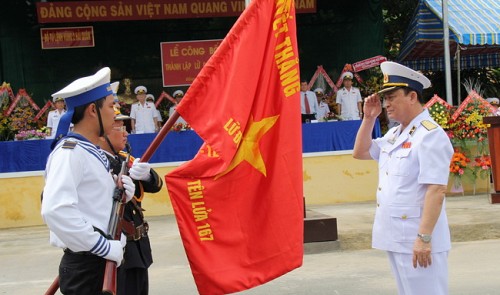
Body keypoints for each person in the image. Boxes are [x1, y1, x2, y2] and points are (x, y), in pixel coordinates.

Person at [352, 61, 453, 295]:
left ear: (412, 96)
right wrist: (369, 119)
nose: (386, 104)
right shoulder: (396, 133)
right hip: (396, 236)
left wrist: (424, 238)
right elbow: (361, 152)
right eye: (385, 98)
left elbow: (436, 190)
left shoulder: (430, 135)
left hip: (417, 238)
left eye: (392, 97)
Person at [41, 67, 136, 294]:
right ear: (93, 110)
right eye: (110, 105)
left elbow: (89, 201)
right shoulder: (70, 152)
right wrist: (102, 246)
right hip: (88, 265)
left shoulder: (87, 150)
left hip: (99, 261)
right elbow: (56, 210)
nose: (115, 113)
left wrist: (119, 190)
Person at [99, 84, 163, 295]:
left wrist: (146, 175)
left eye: (126, 127)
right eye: (119, 127)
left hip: (138, 248)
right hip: (117, 250)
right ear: (104, 133)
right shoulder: (99, 164)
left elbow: (156, 186)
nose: (126, 133)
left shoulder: (127, 160)